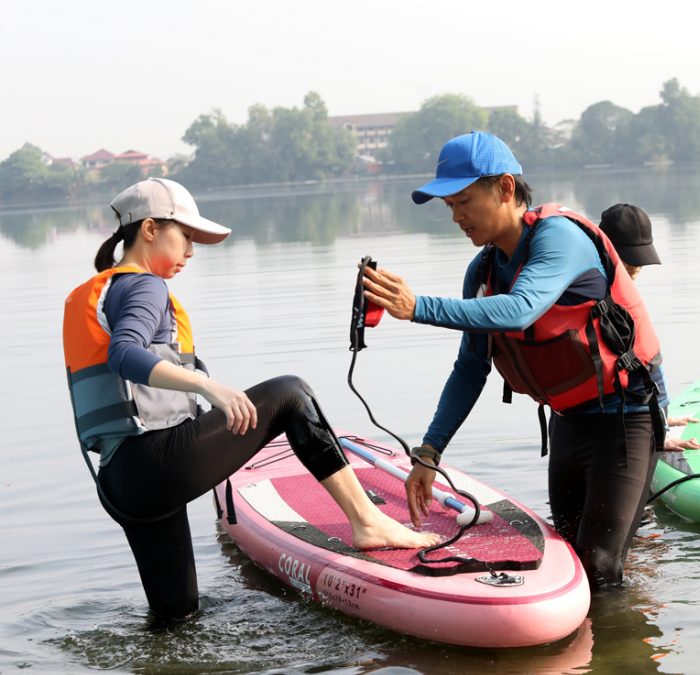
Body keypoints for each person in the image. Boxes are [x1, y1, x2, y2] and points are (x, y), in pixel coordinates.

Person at [63, 178, 437, 620]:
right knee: (290, 394)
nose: (190, 252)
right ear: (149, 229)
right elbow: (125, 354)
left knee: (176, 616)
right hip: (154, 463)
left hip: (121, 483)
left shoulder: (104, 291)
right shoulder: (144, 287)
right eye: (185, 237)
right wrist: (208, 386)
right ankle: (368, 521)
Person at [362, 132, 668, 588]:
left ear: (506, 188)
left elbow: (522, 307)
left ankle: (621, 651)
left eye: (464, 200)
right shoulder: (482, 273)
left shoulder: (560, 238)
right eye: (449, 206)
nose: (457, 216)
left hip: (626, 418)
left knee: (600, 566)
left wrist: (417, 307)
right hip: (569, 422)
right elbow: (470, 368)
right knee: (568, 559)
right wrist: (428, 454)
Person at [598, 204, 700, 452]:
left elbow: (646, 361)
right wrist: (659, 432)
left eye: (640, 262)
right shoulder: (598, 298)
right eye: (629, 261)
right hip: (618, 422)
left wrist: (662, 417)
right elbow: (641, 370)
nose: (636, 269)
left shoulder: (618, 289)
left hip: (640, 412)